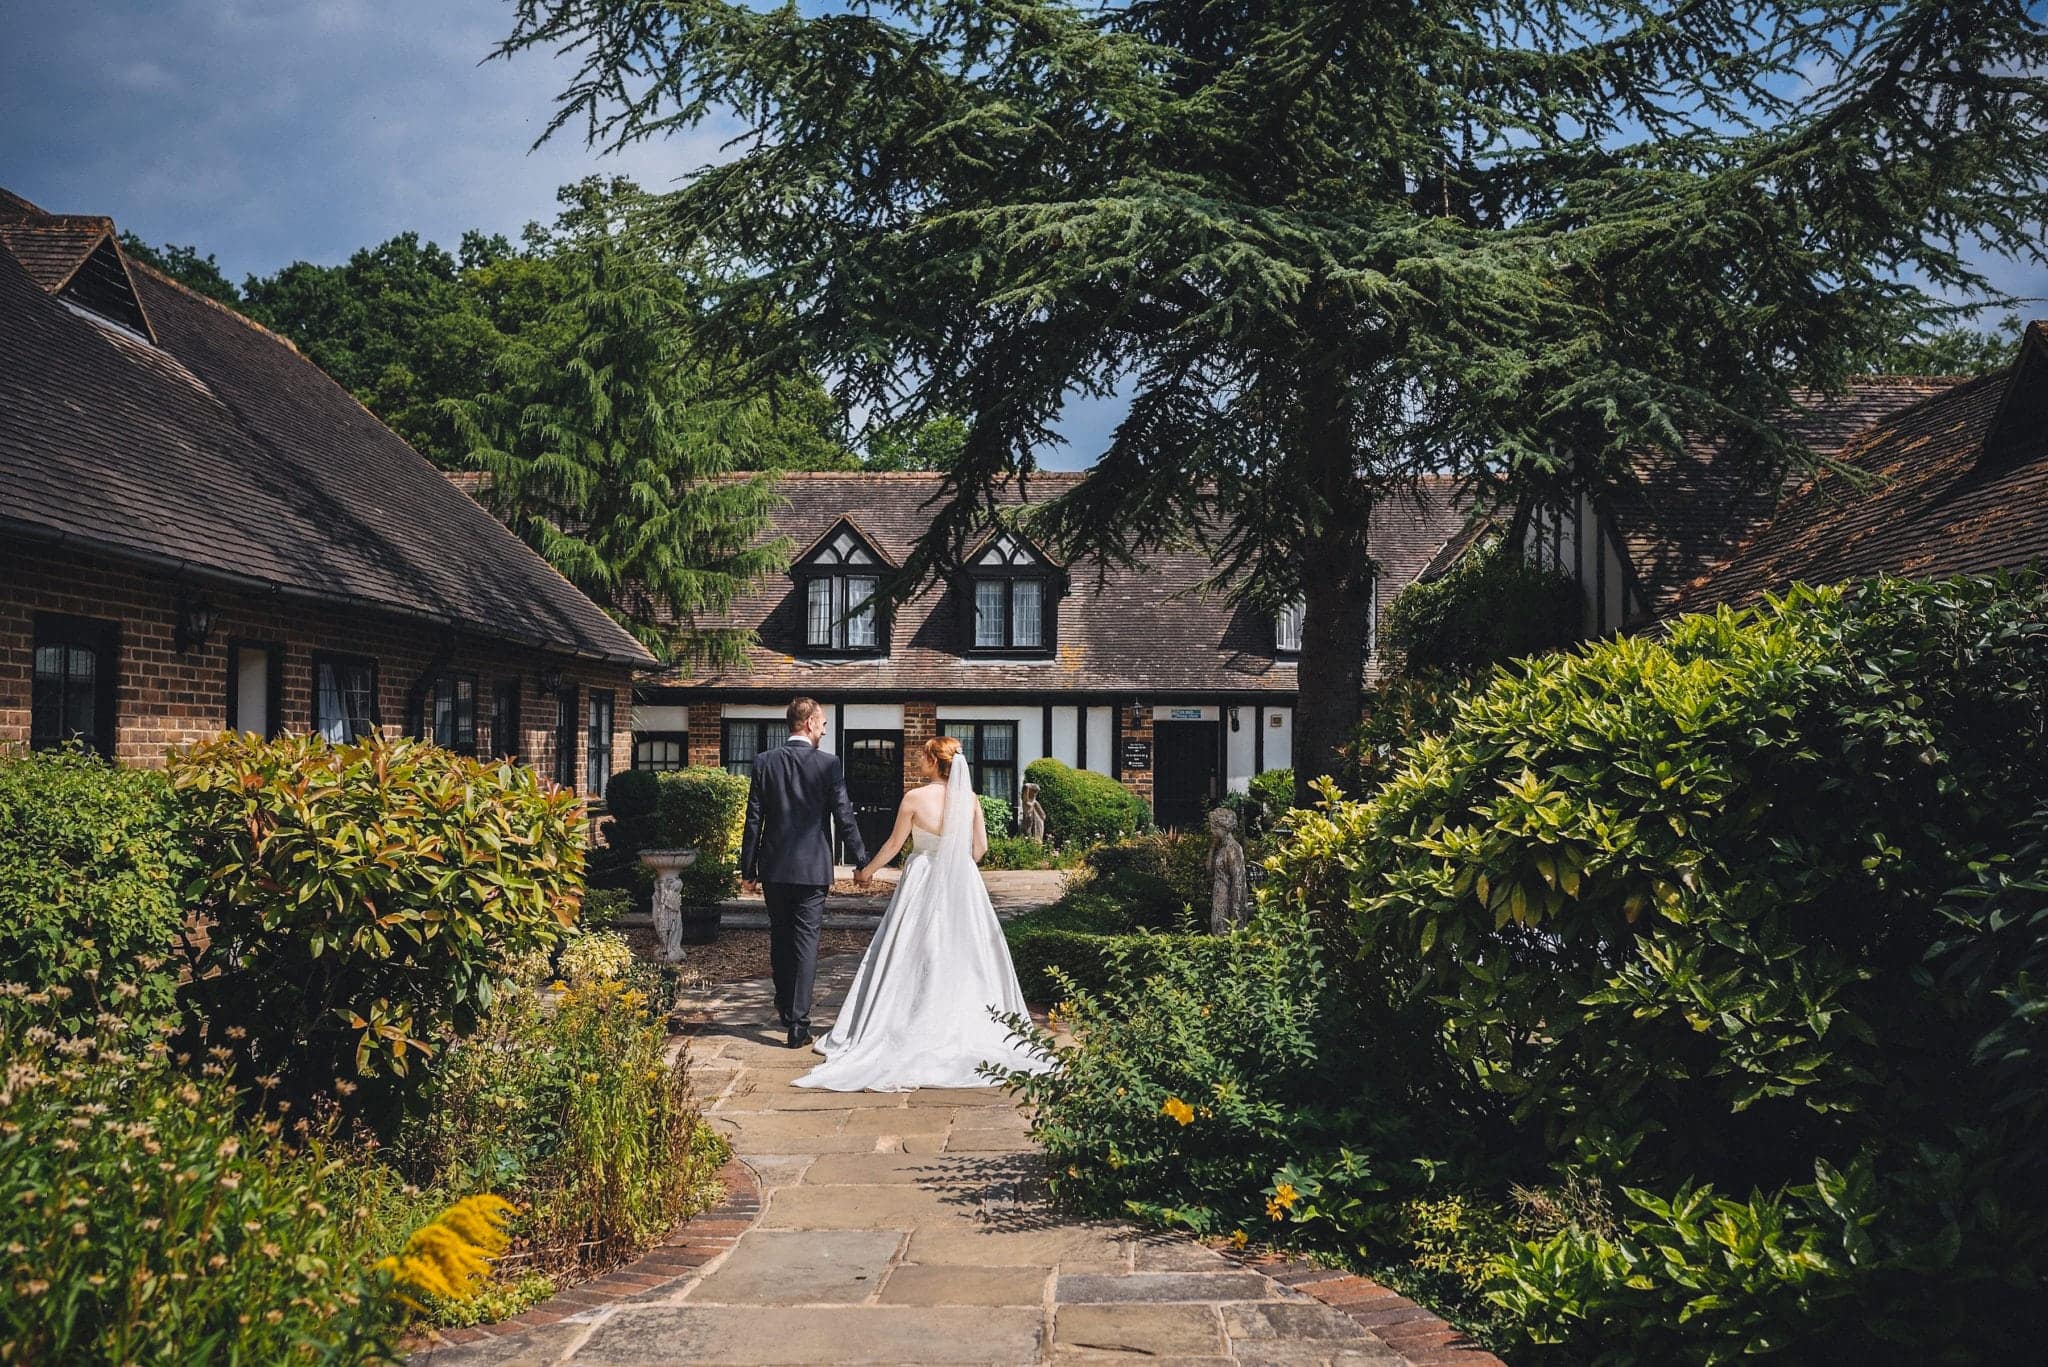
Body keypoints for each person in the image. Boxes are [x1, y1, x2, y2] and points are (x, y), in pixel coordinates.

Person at [795, 735, 1051, 1092]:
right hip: (962, 883)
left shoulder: (915, 798)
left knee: (912, 950)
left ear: (934, 761)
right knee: (965, 951)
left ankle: (908, 1020)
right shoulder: (971, 800)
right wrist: (956, 865)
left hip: (921, 880)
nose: (917, 758)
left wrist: (866, 871)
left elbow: (893, 845)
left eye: (922, 754)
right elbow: (980, 848)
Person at [739, 697, 871, 1048]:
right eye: (823, 723)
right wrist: (861, 861)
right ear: (810, 723)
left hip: (774, 867)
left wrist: (747, 870)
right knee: (806, 943)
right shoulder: (828, 765)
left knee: (779, 936)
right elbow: (844, 815)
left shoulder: (764, 762)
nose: (825, 729)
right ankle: (798, 1024)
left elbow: (754, 820)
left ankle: (784, 1004)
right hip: (812, 868)